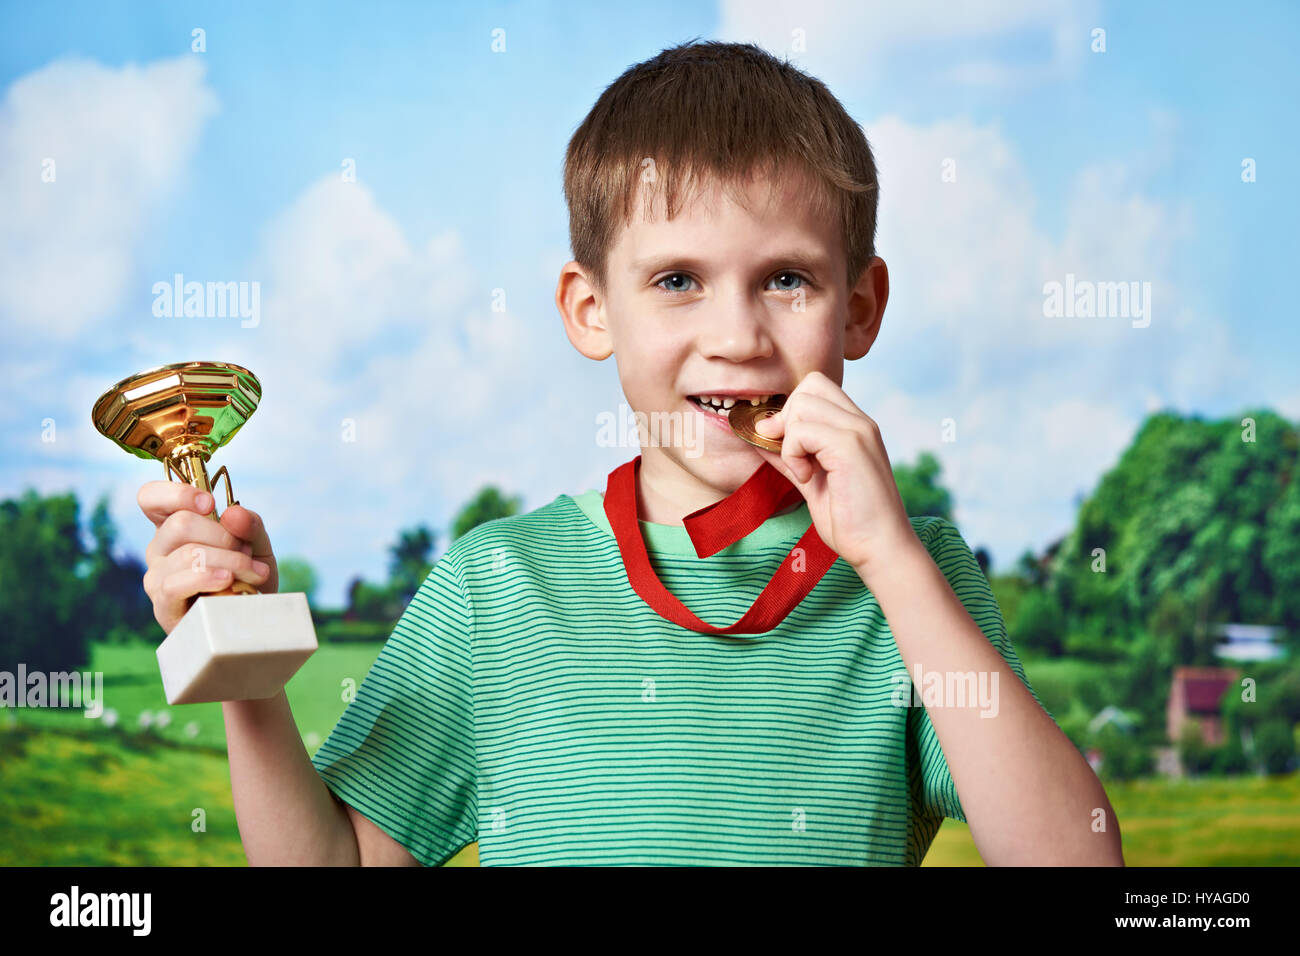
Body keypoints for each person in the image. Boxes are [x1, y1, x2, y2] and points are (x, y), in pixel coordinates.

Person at [137, 40, 1123, 866]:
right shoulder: (495, 588)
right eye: (678, 279)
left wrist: (896, 565)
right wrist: (245, 676)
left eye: (786, 278)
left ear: (858, 307)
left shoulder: (918, 576)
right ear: (590, 308)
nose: (736, 334)